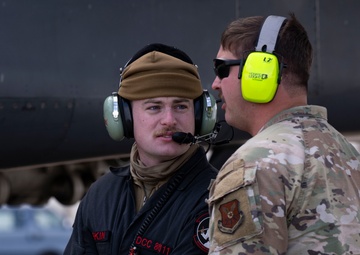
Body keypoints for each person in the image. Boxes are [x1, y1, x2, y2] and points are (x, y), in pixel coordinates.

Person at [207, 13, 360, 254]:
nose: (215, 83)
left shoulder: (254, 163)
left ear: (260, 72)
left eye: (222, 69)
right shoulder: (349, 154)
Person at [64, 43, 218, 255]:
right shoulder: (101, 195)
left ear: (199, 116)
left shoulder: (215, 198)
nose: (169, 120)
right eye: (154, 107)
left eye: (181, 106)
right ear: (125, 118)